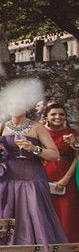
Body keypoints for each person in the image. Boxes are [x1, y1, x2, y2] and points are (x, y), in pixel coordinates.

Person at [0, 101, 70, 252]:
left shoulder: (37, 127)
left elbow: (54, 155)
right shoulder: (0, 127)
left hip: (33, 178)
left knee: (37, 220)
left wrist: (34, 148)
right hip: (7, 180)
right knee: (9, 220)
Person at [43, 102, 78, 242]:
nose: (58, 117)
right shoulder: (40, 133)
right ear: (46, 116)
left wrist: (66, 179)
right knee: (47, 215)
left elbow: (77, 157)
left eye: (61, 114)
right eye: (53, 114)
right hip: (44, 176)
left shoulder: (72, 133)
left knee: (67, 215)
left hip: (66, 178)